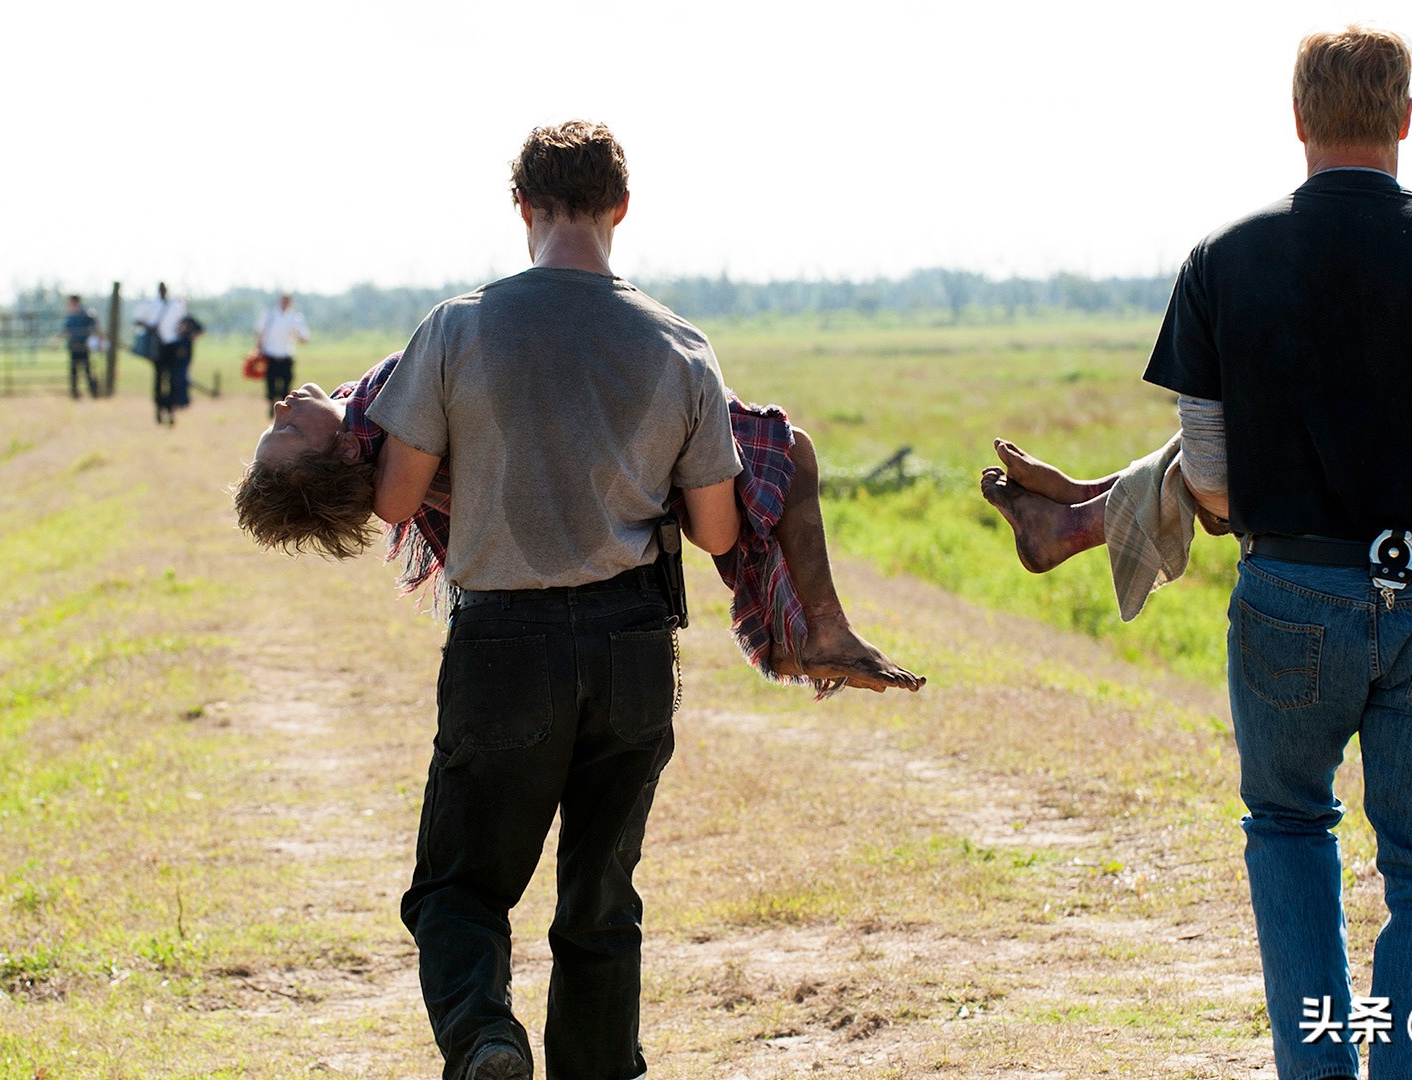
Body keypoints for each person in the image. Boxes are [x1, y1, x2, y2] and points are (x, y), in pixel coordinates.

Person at [238, 120, 916, 1080]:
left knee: (461, 890)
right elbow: (720, 534)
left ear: (523, 209)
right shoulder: (682, 345)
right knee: (600, 899)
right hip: (632, 647)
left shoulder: (457, 327)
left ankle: (485, 1040)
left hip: (504, 649)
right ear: (621, 209)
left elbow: (393, 498)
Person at [1015, 28, 1412, 1080]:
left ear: (1298, 120)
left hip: (1291, 591)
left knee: (1289, 828)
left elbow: (1213, 483)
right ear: (1405, 119)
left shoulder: (1220, 261)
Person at [233, 367, 923, 694]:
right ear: (344, 453)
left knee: (744, 490)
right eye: (287, 430)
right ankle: (813, 629)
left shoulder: (369, 426)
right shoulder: (382, 419)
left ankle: (807, 633)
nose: (281, 404)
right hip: (595, 449)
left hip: (570, 492)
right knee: (787, 448)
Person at [981, 321, 1412, 616]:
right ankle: (1084, 506)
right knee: (1238, 445)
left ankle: (1080, 516)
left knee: (1261, 434)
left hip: (1405, 581)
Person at [135, 283, 196, 425]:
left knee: (173, 379)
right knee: (159, 379)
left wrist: (182, 331)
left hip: (173, 346)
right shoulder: (150, 304)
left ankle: (170, 409)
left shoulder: (176, 305)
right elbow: (137, 319)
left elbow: (184, 321)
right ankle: (159, 407)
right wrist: (149, 328)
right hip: (157, 346)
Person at [255, 293, 310, 417]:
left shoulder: (295, 318)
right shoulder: (269, 316)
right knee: (271, 384)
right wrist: (258, 349)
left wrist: (296, 334)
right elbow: (259, 333)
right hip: (270, 355)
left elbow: (304, 339)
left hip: (286, 356)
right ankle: (271, 406)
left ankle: (283, 409)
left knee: (286, 384)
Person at [62, 295, 101, 400]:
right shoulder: (70, 316)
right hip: (73, 346)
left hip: (84, 346)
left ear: (76, 302)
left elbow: (95, 326)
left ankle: (93, 392)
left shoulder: (85, 314)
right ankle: (75, 393)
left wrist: (99, 340)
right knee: (74, 371)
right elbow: (66, 331)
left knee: (87, 371)